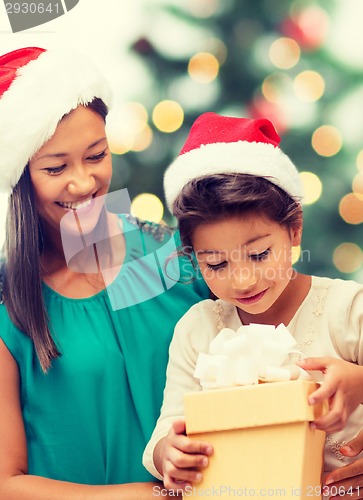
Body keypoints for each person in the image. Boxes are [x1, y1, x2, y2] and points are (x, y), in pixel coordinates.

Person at [0, 47, 209, 499]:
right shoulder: (8, 305)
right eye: (56, 167)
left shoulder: (168, 255)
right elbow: (6, 482)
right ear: (19, 178)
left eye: (95, 156)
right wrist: (147, 496)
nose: (83, 183)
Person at [142, 112, 363, 496]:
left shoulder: (347, 309)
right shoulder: (199, 329)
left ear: (294, 231)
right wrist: (168, 453)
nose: (242, 279)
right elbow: (170, 426)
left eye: (259, 255)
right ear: (194, 257)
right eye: (216, 263)